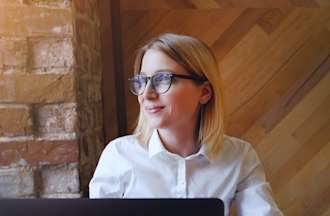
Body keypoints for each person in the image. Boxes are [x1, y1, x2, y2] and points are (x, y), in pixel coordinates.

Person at [89, 33, 283, 215]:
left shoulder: (239, 157)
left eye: (163, 79)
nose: (146, 94)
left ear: (205, 92)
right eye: (142, 81)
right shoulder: (118, 155)